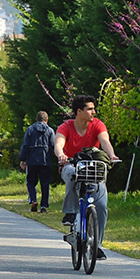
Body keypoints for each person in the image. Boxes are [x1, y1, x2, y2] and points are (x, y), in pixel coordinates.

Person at [54, 95, 119, 259]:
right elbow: (58, 143)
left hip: (92, 167)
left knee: (101, 205)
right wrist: (61, 154)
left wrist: (111, 155)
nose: (93, 112)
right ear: (79, 111)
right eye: (90, 109)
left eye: (93, 109)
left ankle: (97, 246)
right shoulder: (66, 127)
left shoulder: (97, 124)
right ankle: (70, 213)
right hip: (71, 164)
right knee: (72, 175)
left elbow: (105, 141)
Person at [19, 111, 55, 213]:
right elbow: (53, 145)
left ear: (36, 119)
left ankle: (33, 200)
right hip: (45, 161)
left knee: (30, 182)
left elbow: (25, 145)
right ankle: (44, 205)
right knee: (45, 183)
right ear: (46, 120)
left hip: (32, 160)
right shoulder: (50, 130)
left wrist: (22, 159)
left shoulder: (30, 129)